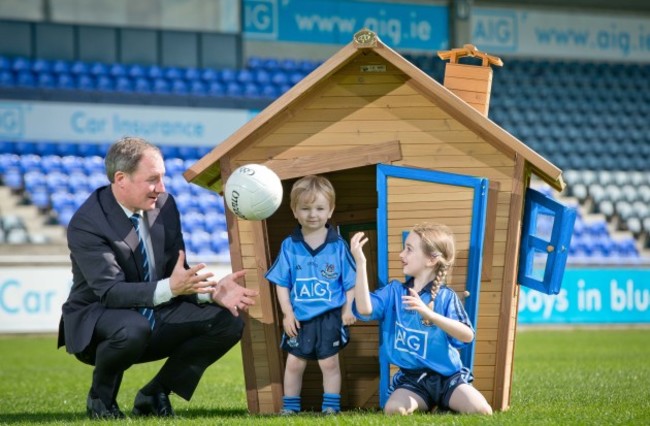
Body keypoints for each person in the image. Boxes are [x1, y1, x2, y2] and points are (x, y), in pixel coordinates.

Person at [57, 136, 259, 420]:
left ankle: (155, 393)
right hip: (99, 320)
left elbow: (176, 275)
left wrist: (209, 293)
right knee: (133, 327)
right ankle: (100, 399)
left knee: (228, 320)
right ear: (121, 178)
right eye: (153, 179)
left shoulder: (165, 205)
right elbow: (110, 292)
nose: (161, 188)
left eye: (162, 178)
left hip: (153, 314)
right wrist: (172, 287)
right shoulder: (87, 223)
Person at [349, 223, 492, 416]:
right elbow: (364, 309)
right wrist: (360, 263)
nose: (401, 255)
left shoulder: (446, 297)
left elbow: (467, 336)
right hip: (413, 380)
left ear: (431, 259)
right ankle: (439, 407)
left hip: (448, 378)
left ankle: (444, 405)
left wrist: (430, 315)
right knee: (394, 410)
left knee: (482, 411)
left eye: (409, 249)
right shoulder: (394, 291)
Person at [264, 175, 356, 415]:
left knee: (330, 362)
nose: (312, 214)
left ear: (330, 210)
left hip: (329, 317)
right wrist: (287, 313)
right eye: (305, 208)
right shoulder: (289, 245)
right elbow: (281, 283)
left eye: (319, 208)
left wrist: (347, 310)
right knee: (294, 363)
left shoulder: (338, 246)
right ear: (294, 211)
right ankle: (290, 408)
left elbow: (351, 283)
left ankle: (331, 408)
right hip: (299, 318)